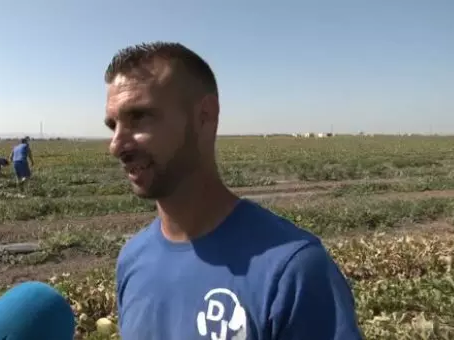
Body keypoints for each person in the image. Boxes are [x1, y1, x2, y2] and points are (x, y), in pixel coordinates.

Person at [104, 42, 363, 340]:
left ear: (205, 116)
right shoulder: (132, 258)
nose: (116, 145)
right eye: (113, 125)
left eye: (140, 117)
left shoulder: (293, 271)